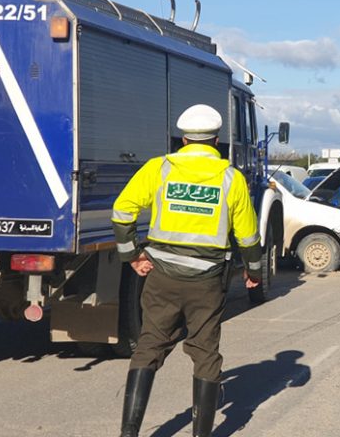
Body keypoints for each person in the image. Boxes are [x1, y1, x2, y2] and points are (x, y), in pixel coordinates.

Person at [111, 104, 263, 437]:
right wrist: (254, 271)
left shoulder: (158, 169)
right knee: (205, 352)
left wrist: (132, 256)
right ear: (216, 140)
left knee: (149, 345)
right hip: (207, 280)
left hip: (161, 275)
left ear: (183, 138)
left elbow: (122, 211)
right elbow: (248, 234)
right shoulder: (230, 178)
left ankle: (128, 433)